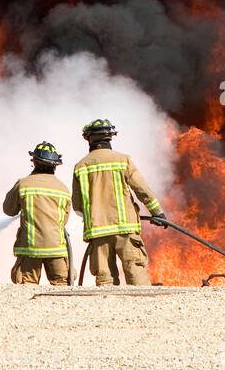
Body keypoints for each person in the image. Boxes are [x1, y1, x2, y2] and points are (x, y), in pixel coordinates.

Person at [71, 118, 167, 286]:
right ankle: (143, 308)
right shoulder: (123, 160)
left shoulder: (81, 166)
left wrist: (93, 214)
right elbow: (142, 189)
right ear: (110, 137)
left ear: (88, 138)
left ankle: (109, 312)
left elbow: (77, 206)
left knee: (105, 278)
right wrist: (157, 213)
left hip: (98, 232)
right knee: (135, 272)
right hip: (126, 229)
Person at [2, 142, 72, 285]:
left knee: (26, 287)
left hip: (30, 249)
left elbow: (9, 210)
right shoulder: (63, 189)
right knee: (63, 288)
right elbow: (63, 220)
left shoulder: (23, 184)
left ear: (34, 162)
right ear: (55, 165)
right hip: (56, 249)